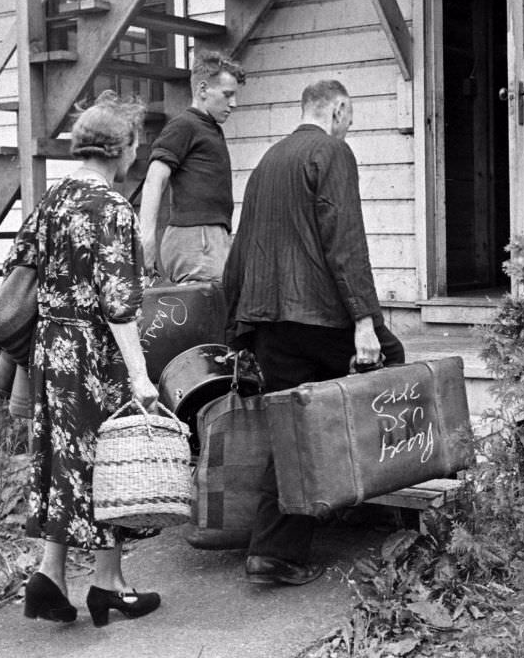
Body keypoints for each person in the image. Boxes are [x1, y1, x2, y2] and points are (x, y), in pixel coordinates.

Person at [224, 79, 404, 586]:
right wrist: (365, 320)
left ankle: (273, 553)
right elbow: (344, 238)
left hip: (268, 320)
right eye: (351, 117)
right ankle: (363, 495)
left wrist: (236, 329)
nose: (351, 127)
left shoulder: (267, 161)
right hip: (322, 316)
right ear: (339, 109)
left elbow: (241, 248)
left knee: (291, 429)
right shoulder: (332, 152)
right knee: (392, 365)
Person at [5, 91, 163, 627]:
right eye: (135, 147)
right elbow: (120, 305)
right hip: (95, 352)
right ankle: (107, 583)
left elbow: (19, 264)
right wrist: (141, 377)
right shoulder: (113, 207)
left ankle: (50, 575)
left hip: (52, 347)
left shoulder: (53, 199)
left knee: (61, 457)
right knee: (107, 462)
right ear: (122, 149)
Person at [139, 50, 245, 283]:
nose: (234, 103)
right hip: (196, 238)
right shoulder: (185, 125)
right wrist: (146, 238)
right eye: (227, 95)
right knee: (202, 313)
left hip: (211, 237)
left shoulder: (209, 127)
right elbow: (154, 179)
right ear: (203, 89)